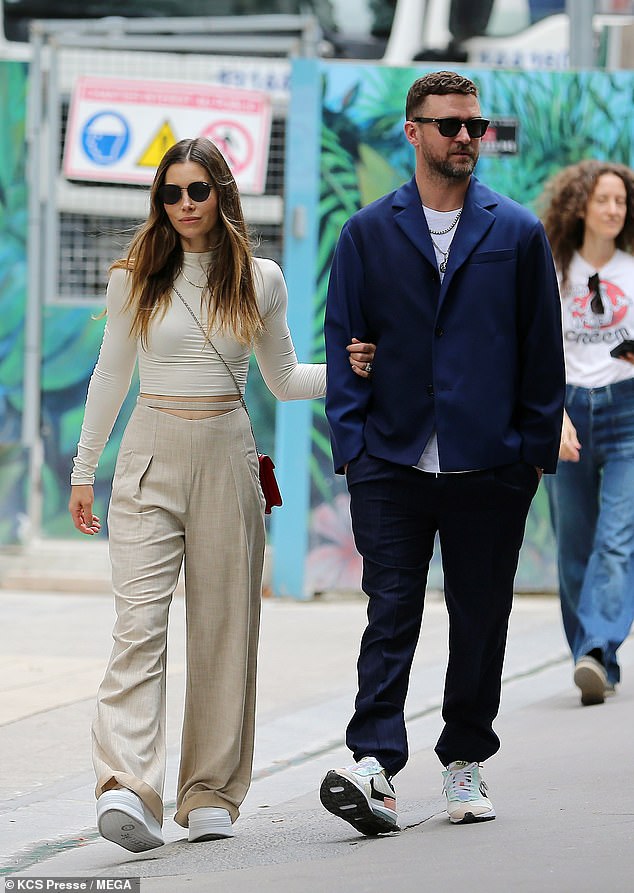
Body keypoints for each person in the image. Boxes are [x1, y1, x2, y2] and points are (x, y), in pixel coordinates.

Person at [68, 137, 375, 852]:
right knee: (137, 629)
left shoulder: (260, 278)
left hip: (227, 456)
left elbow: (285, 378)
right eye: (170, 193)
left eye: (196, 191)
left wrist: (354, 370)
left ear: (222, 195)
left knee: (222, 633)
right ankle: (127, 787)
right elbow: (111, 377)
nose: (182, 205)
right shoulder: (136, 276)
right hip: (148, 455)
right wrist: (86, 467)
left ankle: (209, 792)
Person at [321, 70, 565, 834]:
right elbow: (343, 342)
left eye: (475, 125)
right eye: (449, 124)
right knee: (389, 611)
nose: (465, 137)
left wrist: (530, 459)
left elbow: (540, 352)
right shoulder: (366, 232)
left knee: (481, 616)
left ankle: (464, 760)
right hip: (391, 463)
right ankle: (374, 765)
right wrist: (355, 449)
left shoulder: (518, 232)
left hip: (490, 467)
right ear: (413, 131)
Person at [540, 159, 634, 706]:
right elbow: (540, 353)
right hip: (568, 409)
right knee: (574, 542)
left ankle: (596, 649)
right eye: (604, 199)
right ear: (581, 205)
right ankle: (591, 653)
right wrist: (554, 414)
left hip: (626, 410)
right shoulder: (556, 270)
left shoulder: (632, 268)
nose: (613, 209)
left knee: (617, 540)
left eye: (621, 201)